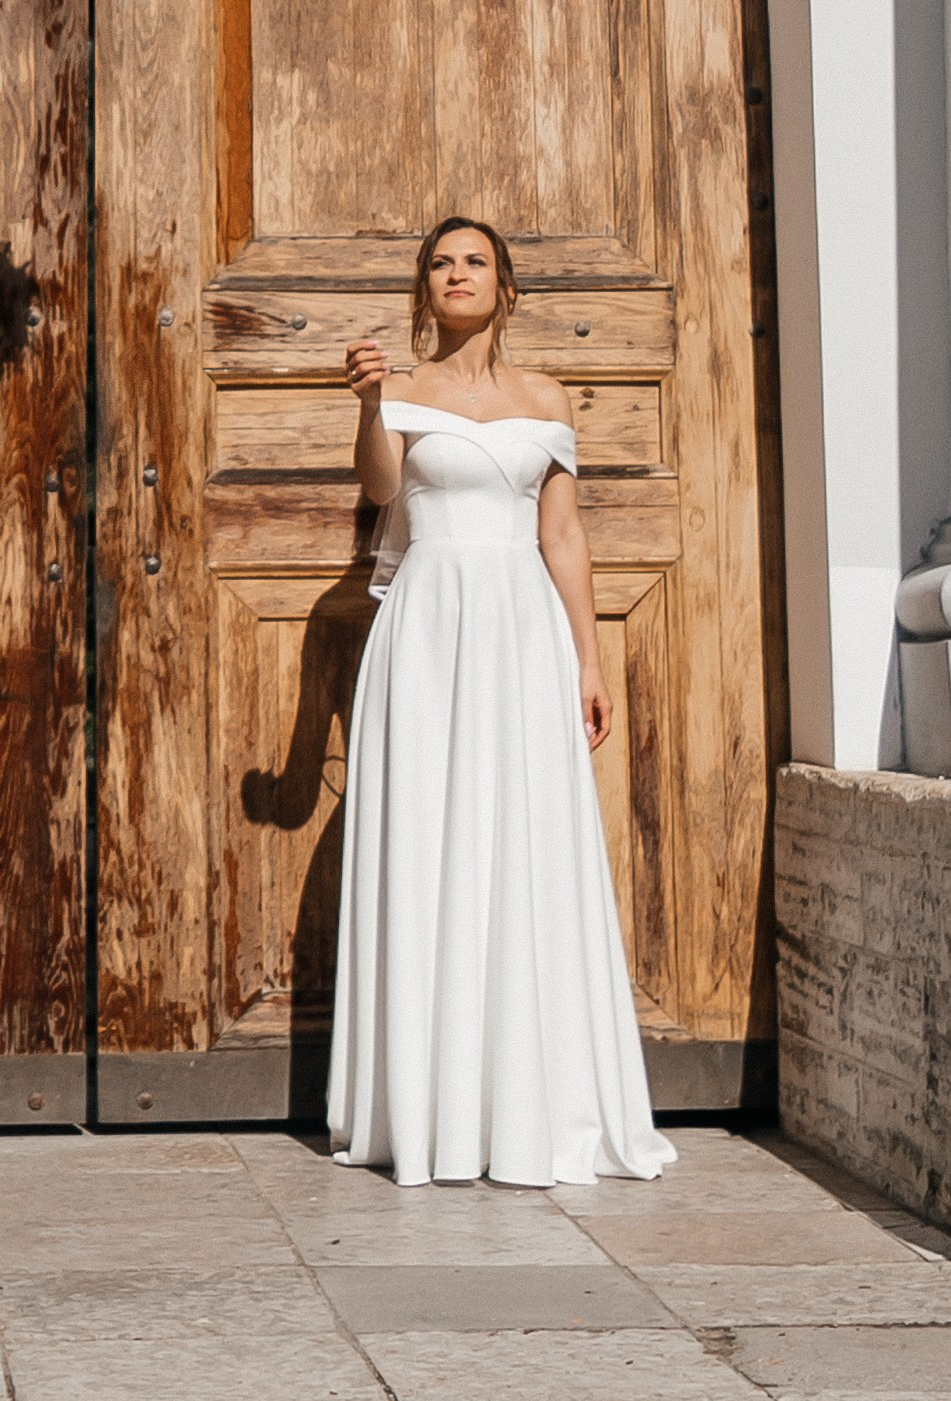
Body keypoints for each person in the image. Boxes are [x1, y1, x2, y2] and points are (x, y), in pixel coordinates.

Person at [327, 215, 673, 1188]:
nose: (456, 274)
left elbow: (560, 537)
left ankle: (534, 1101)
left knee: (522, 840)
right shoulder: (395, 391)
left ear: (505, 288)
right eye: (438, 264)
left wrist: (587, 662)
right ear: (421, 292)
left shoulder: (546, 397)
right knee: (432, 840)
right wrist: (365, 409)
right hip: (430, 633)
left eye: (473, 261)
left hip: (522, 634)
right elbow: (381, 489)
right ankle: (428, 1110)